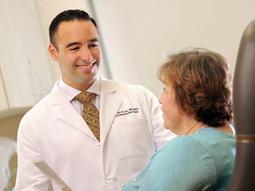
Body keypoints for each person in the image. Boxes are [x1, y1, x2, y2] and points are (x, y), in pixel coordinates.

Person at [15, 9, 174, 191]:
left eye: (92, 45)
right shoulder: (33, 124)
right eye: (74, 48)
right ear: (53, 52)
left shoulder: (139, 97)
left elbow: (174, 157)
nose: (88, 56)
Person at [123, 49, 236, 191]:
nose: (160, 99)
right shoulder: (225, 139)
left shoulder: (194, 148)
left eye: (165, 89)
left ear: (190, 96)